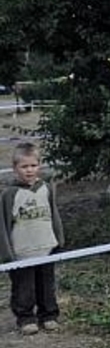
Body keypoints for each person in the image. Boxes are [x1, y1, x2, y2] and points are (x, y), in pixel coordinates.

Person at [0, 142, 64, 335]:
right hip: (22, 251)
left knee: (46, 285)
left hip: (45, 247)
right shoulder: (9, 194)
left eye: (33, 165)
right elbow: (3, 225)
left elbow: (54, 215)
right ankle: (26, 318)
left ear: (39, 165)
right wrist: (7, 253)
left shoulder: (46, 188)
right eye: (24, 166)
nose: (29, 170)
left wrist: (59, 240)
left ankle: (49, 315)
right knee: (24, 287)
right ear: (15, 168)